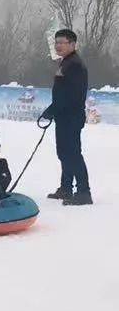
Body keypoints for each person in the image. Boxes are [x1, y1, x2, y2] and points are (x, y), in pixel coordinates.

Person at [41, 29, 92, 205]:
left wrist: (53, 109)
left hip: (71, 116)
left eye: (62, 42)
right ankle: (66, 187)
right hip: (63, 116)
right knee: (64, 153)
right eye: (56, 42)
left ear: (72, 44)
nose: (58, 45)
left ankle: (84, 191)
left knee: (72, 153)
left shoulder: (75, 65)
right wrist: (53, 109)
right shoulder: (66, 63)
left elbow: (73, 95)